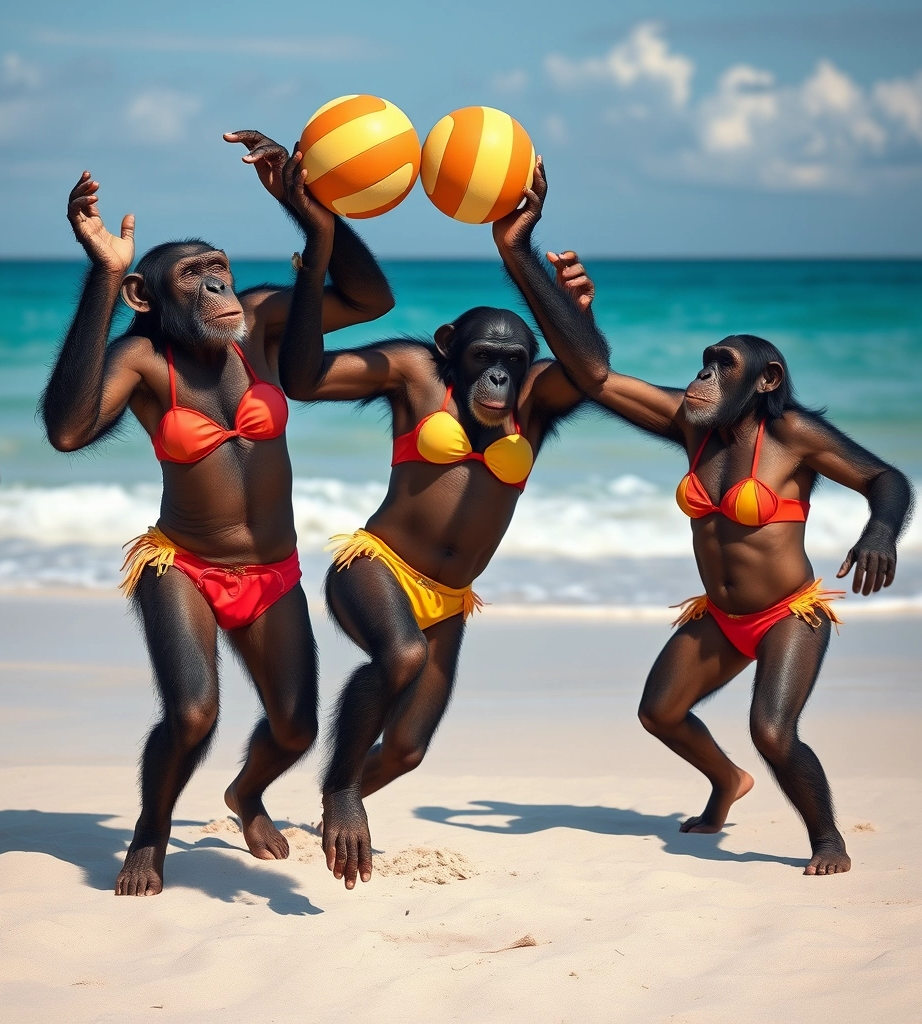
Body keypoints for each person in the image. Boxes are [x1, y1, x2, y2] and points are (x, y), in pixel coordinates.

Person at [40, 132, 394, 897]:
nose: (218, 289)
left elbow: (371, 300)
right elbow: (67, 431)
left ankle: (245, 797)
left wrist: (312, 211)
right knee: (194, 712)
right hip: (185, 566)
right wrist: (104, 278)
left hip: (273, 571)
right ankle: (150, 833)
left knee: (297, 729)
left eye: (220, 272)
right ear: (149, 297)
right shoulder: (141, 360)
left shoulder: (262, 323)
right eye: (193, 280)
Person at [501, 242, 915, 876]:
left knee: (773, 732)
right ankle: (727, 782)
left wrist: (881, 531)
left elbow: (884, 477)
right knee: (659, 713)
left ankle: (828, 838)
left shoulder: (792, 436)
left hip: (786, 614)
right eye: (703, 365)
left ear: (766, 380)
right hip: (720, 615)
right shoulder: (692, 426)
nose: (703, 377)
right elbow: (596, 377)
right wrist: (522, 257)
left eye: (723, 367)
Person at [279, 155, 604, 888]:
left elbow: (593, 372)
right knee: (399, 660)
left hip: (450, 600)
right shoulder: (414, 372)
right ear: (451, 345)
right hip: (376, 567)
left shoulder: (535, 398)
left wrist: (519, 252)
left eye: (515, 364)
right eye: (487, 360)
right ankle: (338, 793)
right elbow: (302, 379)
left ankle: (310, 802)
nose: (500, 377)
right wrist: (316, 250)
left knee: (406, 751)